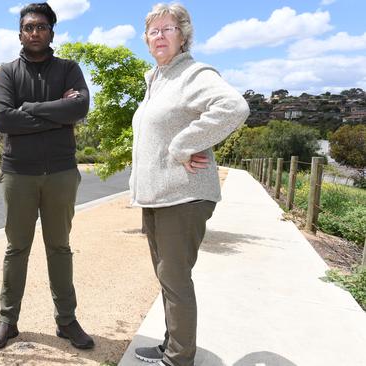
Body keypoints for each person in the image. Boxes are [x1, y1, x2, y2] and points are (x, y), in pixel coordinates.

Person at [130, 3, 249, 366]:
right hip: (159, 196)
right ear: (147, 40)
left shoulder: (194, 73)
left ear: (183, 36)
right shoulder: (157, 78)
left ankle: (179, 358)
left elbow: (234, 107)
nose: (159, 36)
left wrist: (184, 144)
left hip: (183, 195)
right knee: (168, 279)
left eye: (168, 29)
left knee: (175, 279)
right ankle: (172, 344)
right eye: (153, 31)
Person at [0, 2, 94, 350]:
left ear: (51, 32)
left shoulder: (69, 69)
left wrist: (29, 109)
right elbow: (4, 120)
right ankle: (7, 320)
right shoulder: (6, 73)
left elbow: (79, 107)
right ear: (20, 33)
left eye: (41, 27)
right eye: (29, 27)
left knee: (59, 248)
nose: (35, 32)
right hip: (19, 173)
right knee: (17, 248)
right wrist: (56, 114)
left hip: (61, 172)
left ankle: (66, 321)